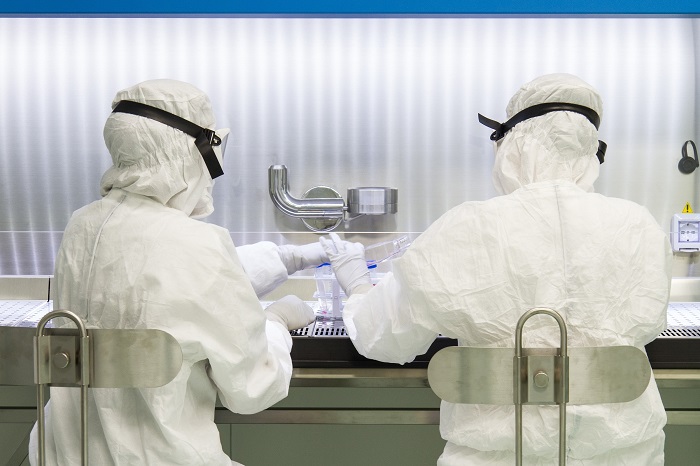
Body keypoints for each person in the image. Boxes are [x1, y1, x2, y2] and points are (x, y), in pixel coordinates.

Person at [321, 73, 672, 465]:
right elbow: (648, 323)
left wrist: (357, 286)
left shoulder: (469, 227)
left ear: (515, 144)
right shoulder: (639, 227)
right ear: (590, 152)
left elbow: (384, 337)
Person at [28, 79, 326, 466]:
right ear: (190, 151)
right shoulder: (197, 244)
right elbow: (253, 389)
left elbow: (152, 290)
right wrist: (276, 324)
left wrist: (288, 258)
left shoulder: (81, 227)